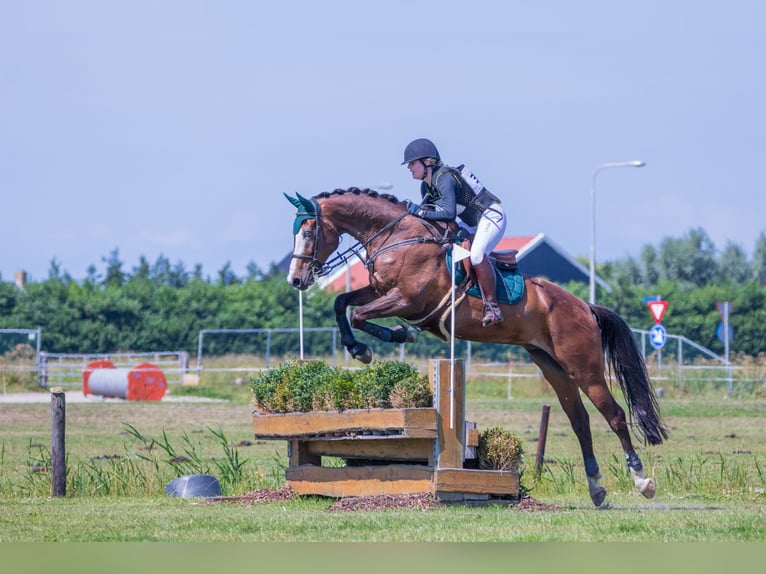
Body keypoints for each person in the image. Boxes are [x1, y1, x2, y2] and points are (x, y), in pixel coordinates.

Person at [402, 138, 507, 326]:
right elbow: (434, 217)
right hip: (469, 222)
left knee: (476, 256)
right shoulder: (426, 186)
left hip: (489, 216)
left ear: (427, 162)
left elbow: (448, 213)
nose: (409, 167)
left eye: (412, 163)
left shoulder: (445, 178)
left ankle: (493, 306)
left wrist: (420, 211)